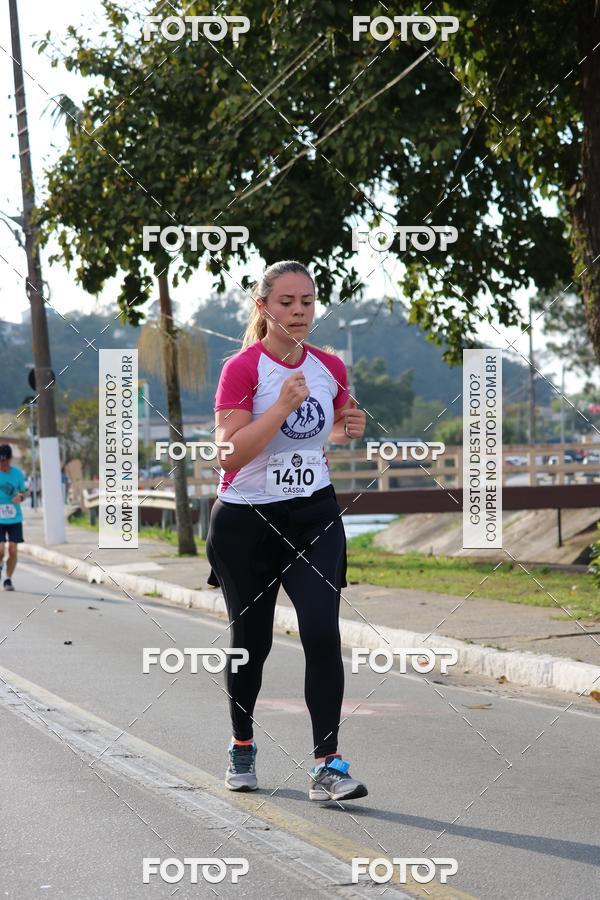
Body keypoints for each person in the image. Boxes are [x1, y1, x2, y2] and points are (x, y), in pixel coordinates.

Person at [206, 260, 368, 802]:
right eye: (286, 302)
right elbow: (230, 454)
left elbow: (337, 427)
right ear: (263, 307)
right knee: (251, 645)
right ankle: (242, 744)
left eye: (306, 302)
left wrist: (350, 426)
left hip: (313, 514)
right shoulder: (244, 370)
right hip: (247, 520)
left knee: (323, 633)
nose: (298, 312)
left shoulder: (329, 366)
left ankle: (328, 765)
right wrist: (278, 407)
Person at [0, 444, 27, 591]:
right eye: (0, 461)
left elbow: (23, 492)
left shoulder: (17, 474)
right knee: (0, 548)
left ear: (10, 460)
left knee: (13, 550)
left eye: (4, 461)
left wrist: (20, 497)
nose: (2, 464)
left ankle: (8, 579)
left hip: (14, 517)